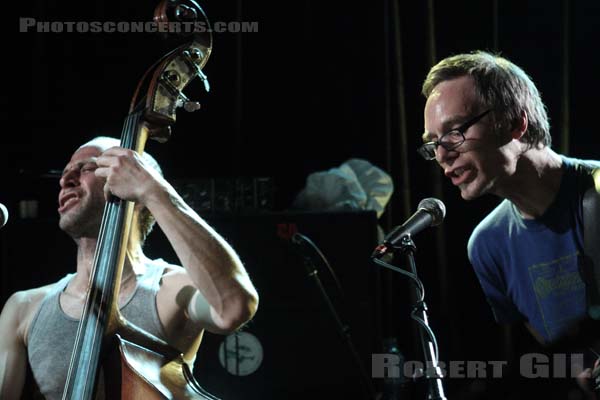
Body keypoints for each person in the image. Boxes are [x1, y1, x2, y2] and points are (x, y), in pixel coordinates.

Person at [0, 136, 259, 399]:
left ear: (132, 183)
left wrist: (154, 191)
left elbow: (233, 307)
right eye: (65, 173)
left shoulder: (172, 289)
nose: (65, 180)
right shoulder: (24, 307)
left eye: (87, 168)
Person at [418, 51, 600, 391]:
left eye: (455, 131)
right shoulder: (487, 246)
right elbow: (564, 355)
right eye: (433, 143)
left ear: (517, 123)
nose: (442, 154)